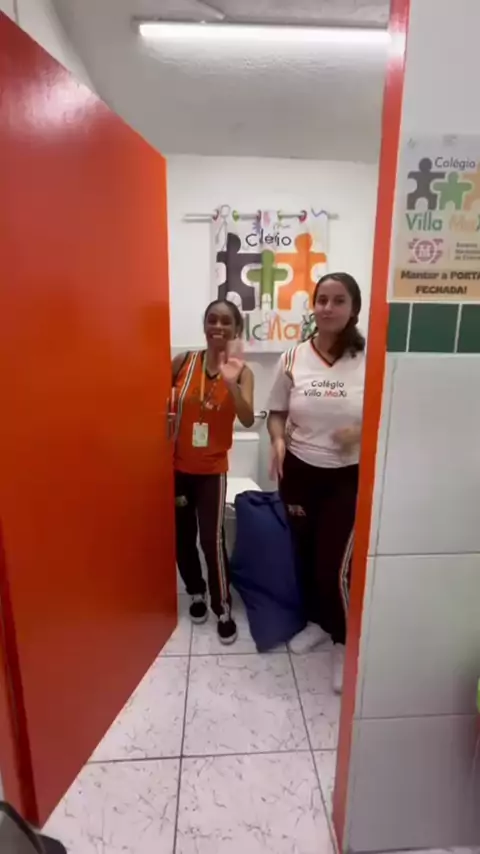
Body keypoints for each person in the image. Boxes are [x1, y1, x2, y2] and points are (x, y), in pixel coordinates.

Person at [267, 273, 365, 693]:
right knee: (304, 556)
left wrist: (360, 432)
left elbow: (388, 411)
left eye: (338, 300)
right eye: (322, 299)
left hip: (347, 476)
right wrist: (276, 441)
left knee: (334, 566)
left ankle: (344, 642)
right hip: (300, 472)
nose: (328, 307)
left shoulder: (369, 359)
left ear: (353, 308)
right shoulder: (292, 358)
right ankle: (317, 624)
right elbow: (276, 412)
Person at [172, 299, 254, 645]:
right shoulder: (183, 362)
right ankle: (196, 591)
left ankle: (222, 607)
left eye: (226, 322)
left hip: (212, 471)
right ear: (205, 325)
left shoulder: (243, 371)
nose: (218, 327)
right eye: (212, 320)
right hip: (177, 468)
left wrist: (232, 384)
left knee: (212, 539)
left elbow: (247, 419)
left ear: (236, 329)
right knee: (182, 536)